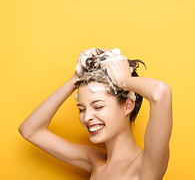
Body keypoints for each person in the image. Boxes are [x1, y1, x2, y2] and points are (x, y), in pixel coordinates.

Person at [19, 48, 173, 180]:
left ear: (127, 106)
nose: (86, 118)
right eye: (82, 109)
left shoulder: (146, 165)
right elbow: (30, 131)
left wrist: (122, 80)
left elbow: (161, 91)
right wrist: (75, 78)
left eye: (98, 107)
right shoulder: (94, 160)